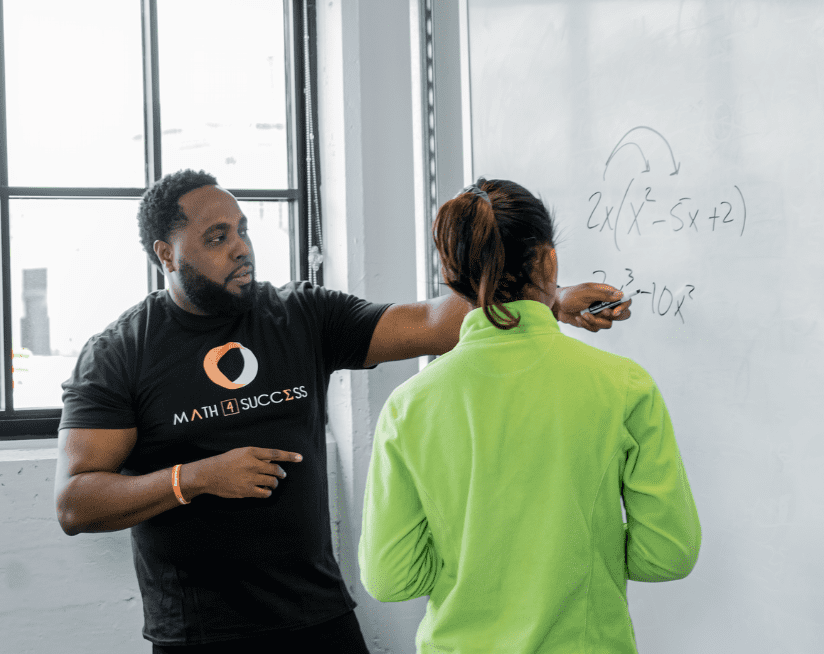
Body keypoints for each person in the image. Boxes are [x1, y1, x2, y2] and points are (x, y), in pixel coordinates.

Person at [52, 169, 633, 653]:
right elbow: (76, 502)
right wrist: (195, 478)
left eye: (243, 231)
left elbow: (432, 324)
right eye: (216, 237)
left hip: (318, 620)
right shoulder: (120, 352)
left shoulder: (298, 317)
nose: (240, 247)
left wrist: (545, 299)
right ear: (165, 253)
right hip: (199, 634)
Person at [358, 178, 701, 653]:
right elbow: (667, 555)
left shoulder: (408, 406)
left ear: (453, 274)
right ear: (548, 261)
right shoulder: (623, 386)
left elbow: (390, 579)